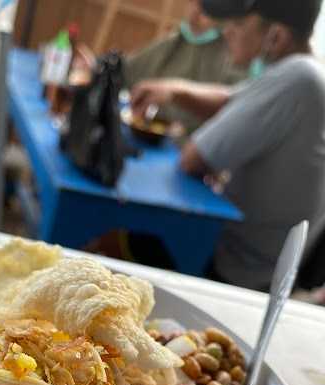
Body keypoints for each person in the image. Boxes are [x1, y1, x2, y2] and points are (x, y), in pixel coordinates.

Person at [131, 0, 325, 291]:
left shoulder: (297, 79)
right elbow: (231, 100)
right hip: (257, 262)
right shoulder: (307, 73)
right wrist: (175, 91)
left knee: (124, 235)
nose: (226, 32)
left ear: (276, 37)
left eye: (237, 24)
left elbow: (192, 160)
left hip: (236, 271)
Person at [125, 0, 245, 132]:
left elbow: (233, 105)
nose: (194, 12)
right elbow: (127, 70)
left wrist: (176, 92)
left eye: (202, 7)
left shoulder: (234, 55)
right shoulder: (176, 41)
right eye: (192, 3)